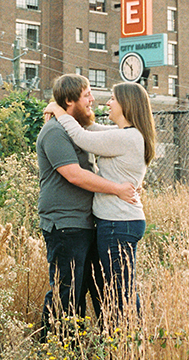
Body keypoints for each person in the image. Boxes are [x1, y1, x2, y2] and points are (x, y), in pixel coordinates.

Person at [37, 74, 139, 339]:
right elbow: (74, 174)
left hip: (85, 222)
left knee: (89, 286)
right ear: (70, 100)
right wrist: (118, 189)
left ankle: (87, 344)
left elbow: (118, 142)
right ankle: (57, 348)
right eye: (87, 95)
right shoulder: (56, 131)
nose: (93, 100)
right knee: (67, 288)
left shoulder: (75, 128)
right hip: (65, 224)